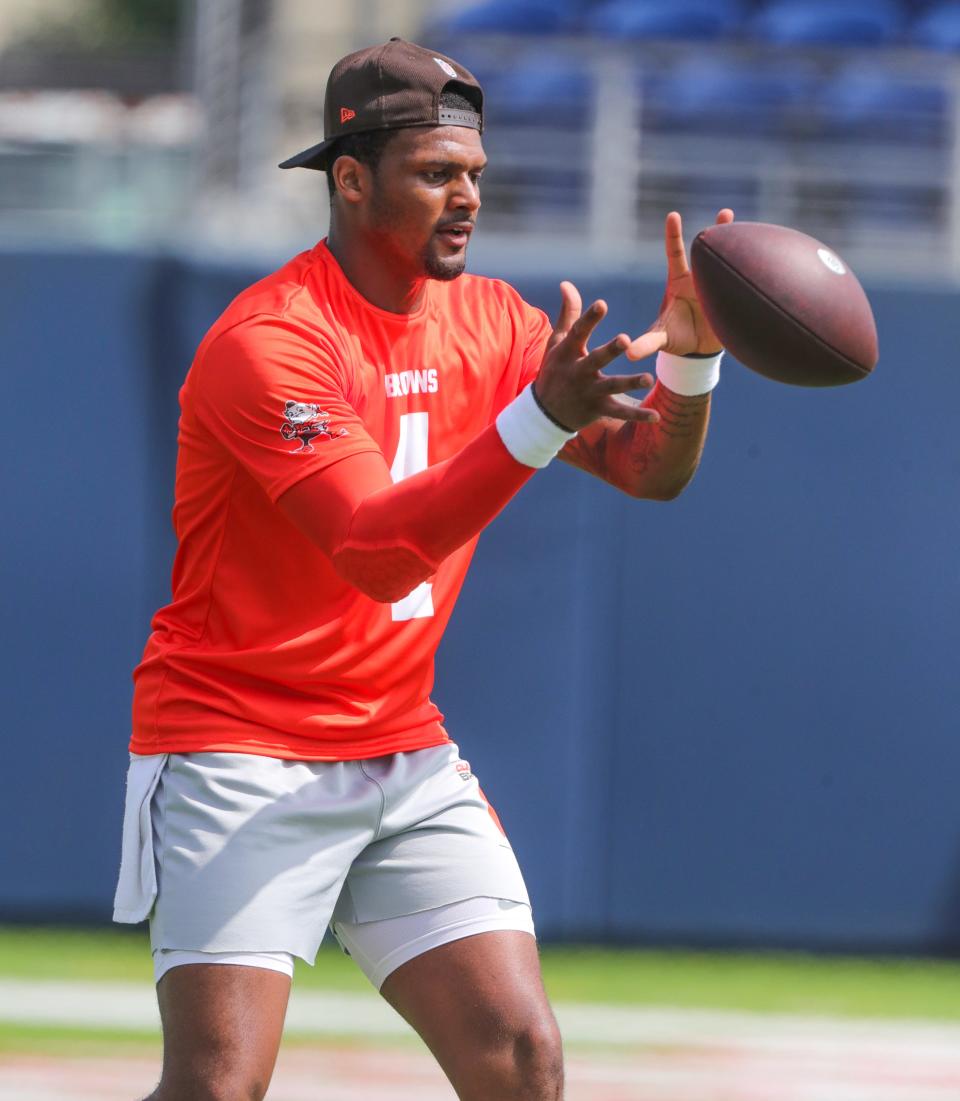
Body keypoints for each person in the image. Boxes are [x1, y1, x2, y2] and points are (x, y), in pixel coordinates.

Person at [113, 36, 731, 1101]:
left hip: (399, 747)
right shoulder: (271, 340)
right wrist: (537, 419)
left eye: (475, 175)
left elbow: (647, 471)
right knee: (217, 1086)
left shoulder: (494, 318)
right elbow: (372, 547)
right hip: (238, 744)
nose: (466, 198)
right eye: (436, 173)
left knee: (520, 1056)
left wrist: (694, 358)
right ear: (350, 178)